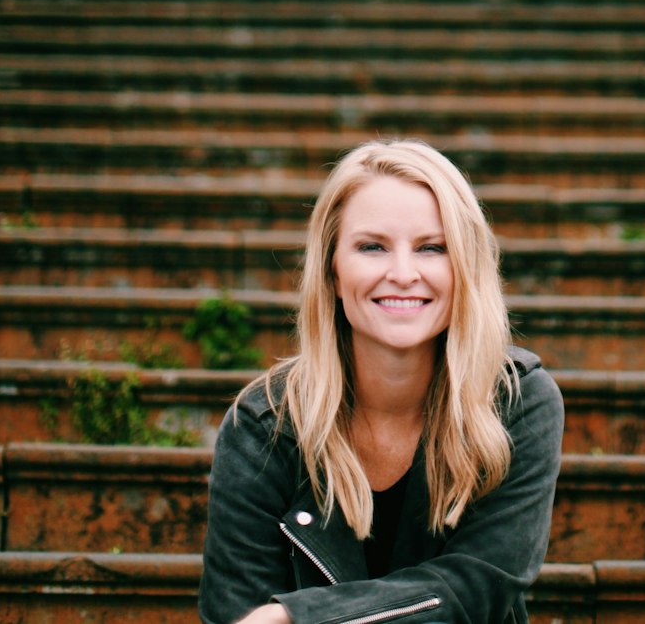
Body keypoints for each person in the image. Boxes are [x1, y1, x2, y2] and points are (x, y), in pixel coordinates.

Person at [199, 138, 564, 624]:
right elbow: (236, 613)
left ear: (465, 269)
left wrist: (294, 619)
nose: (403, 273)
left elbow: (479, 585)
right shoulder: (264, 426)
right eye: (372, 247)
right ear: (331, 270)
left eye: (432, 248)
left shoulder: (518, 404)